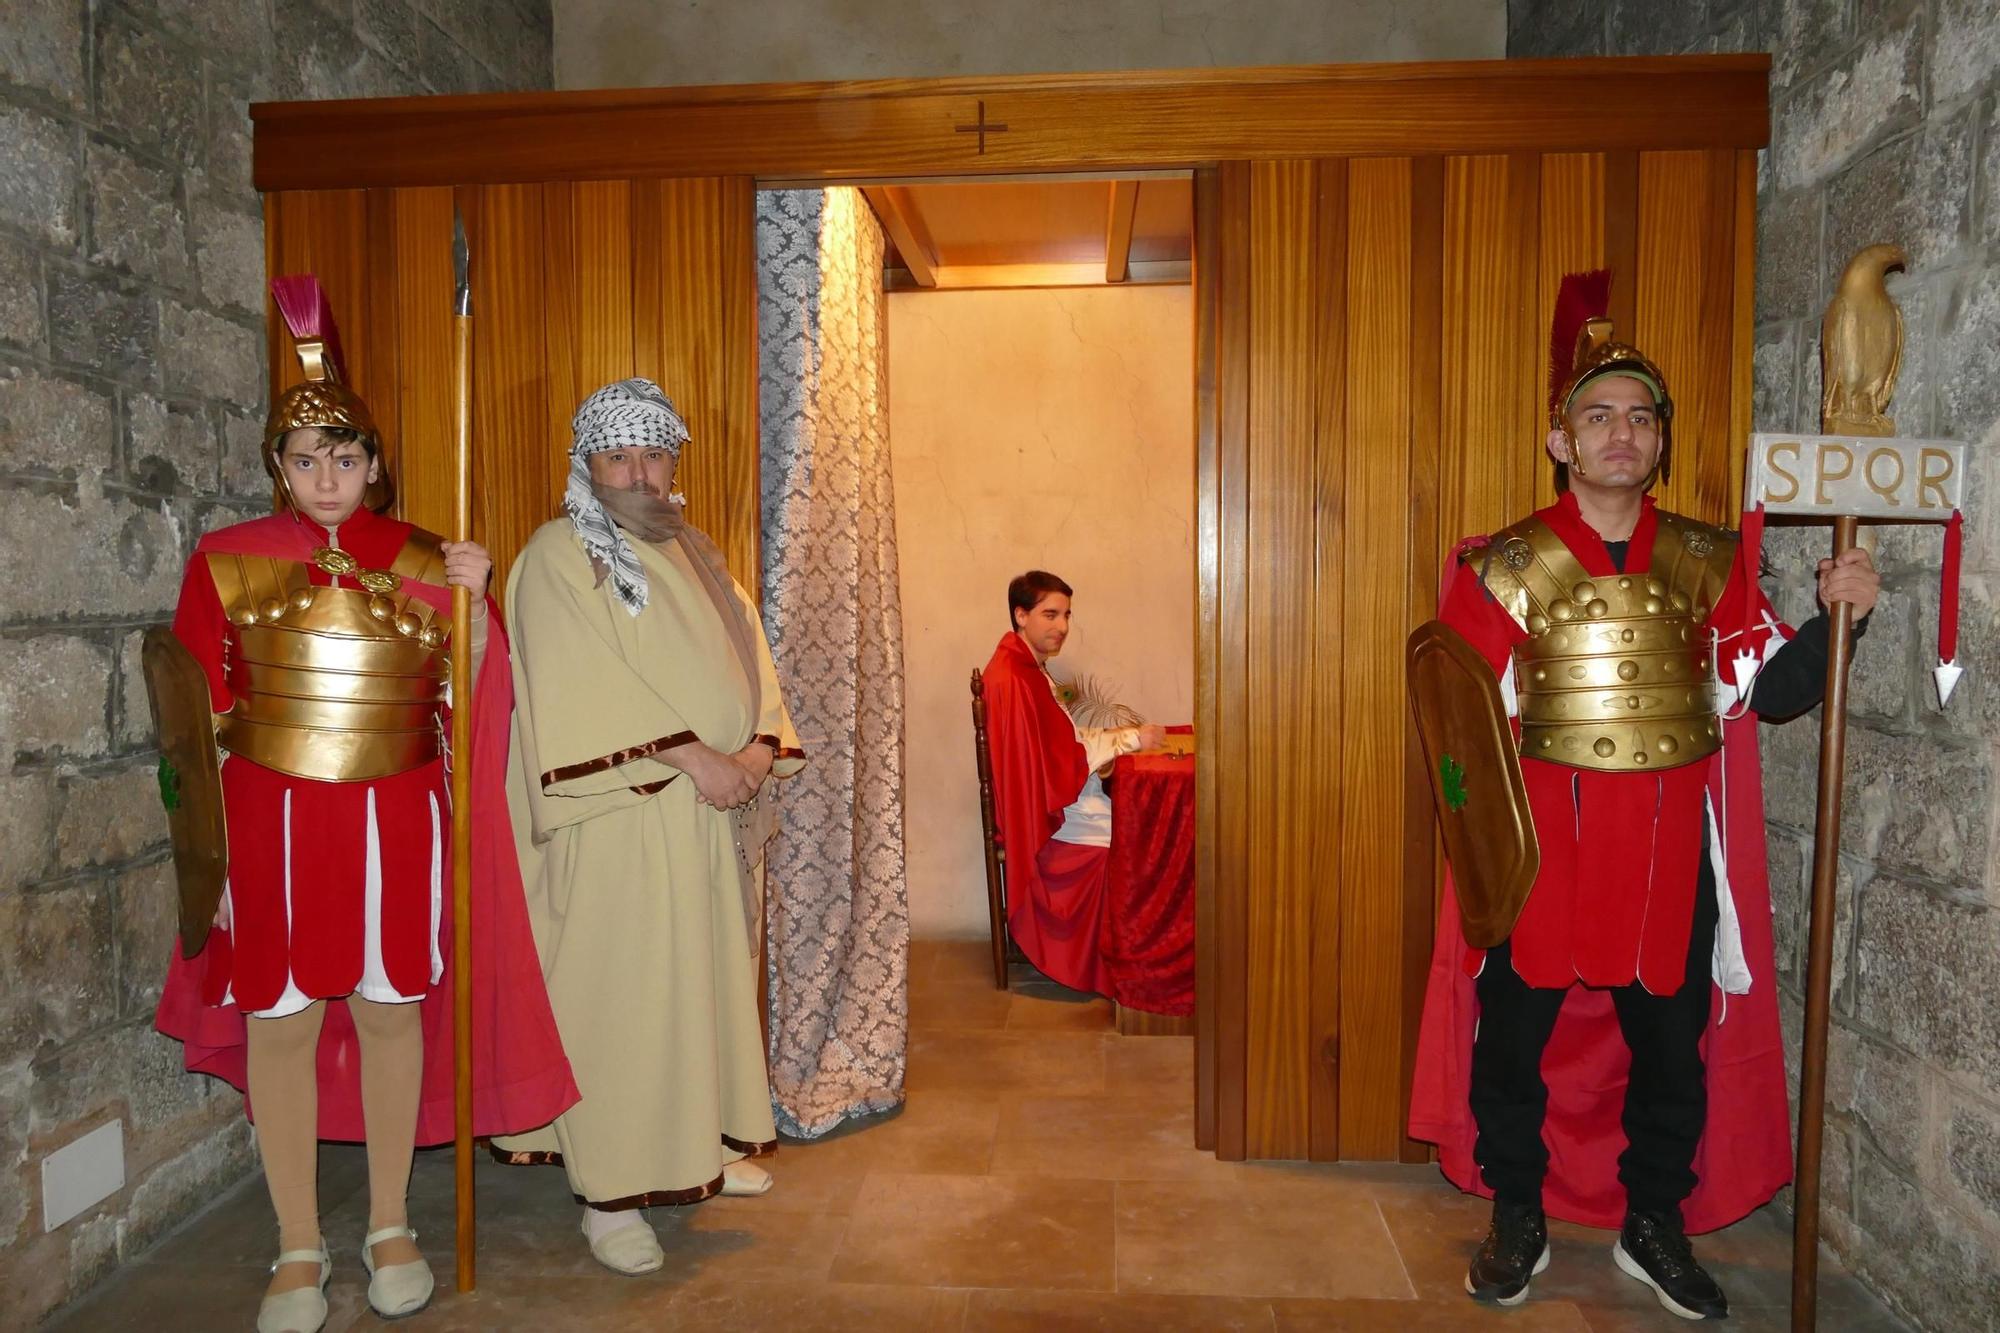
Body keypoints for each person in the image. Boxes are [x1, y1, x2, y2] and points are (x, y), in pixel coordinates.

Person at [1408, 275, 1879, 1321]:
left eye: (1636, 417)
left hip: (1669, 852)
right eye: (1595, 416)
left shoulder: (1710, 560)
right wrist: (1484, 861)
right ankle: (1516, 1212)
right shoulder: (1503, 564)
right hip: (1539, 856)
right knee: (1513, 1045)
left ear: (1657, 441)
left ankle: (1650, 1223)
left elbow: (1769, 693)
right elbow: (1452, 731)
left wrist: (1836, 622)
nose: (1617, 433)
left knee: (1672, 1053)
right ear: (1559, 440)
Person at [153, 277, 576, 1333]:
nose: (326, 476)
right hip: (269, 827)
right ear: (278, 469)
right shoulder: (223, 560)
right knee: (282, 1025)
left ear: (375, 464)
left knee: (392, 1016)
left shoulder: (429, 558)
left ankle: (389, 1222)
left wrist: (476, 603)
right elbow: (194, 721)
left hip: (394, 823)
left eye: (345, 458)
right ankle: (299, 1244)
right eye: (305, 460)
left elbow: (473, 705)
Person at [492, 378, 806, 1276]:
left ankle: (695, 1146)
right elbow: (572, 676)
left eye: (653, 453)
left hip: (704, 822)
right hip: (618, 819)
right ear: (585, 464)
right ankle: (613, 1193)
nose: (636, 471)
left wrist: (753, 748)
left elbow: (752, 661)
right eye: (616, 455)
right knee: (623, 1002)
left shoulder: (700, 554)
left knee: (697, 987)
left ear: (675, 463)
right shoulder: (560, 554)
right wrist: (694, 756)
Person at [980, 571, 1165, 995]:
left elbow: (1061, 744)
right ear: (1020, 614)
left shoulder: (1025, 666)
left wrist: (1119, 740)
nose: (1061, 626)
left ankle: (1138, 952)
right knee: (1135, 838)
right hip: (1048, 813)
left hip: (1057, 797)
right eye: (1050, 614)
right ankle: (1124, 962)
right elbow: (1057, 762)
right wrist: (1130, 739)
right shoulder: (1013, 676)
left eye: (1066, 615)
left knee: (1136, 816)